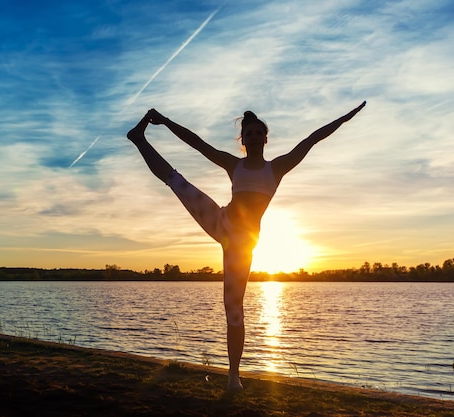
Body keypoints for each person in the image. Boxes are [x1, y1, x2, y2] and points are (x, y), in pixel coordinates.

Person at [126, 101, 366, 390]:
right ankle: (139, 139)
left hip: (242, 245)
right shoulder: (233, 164)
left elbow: (312, 139)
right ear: (243, 140)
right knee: (176, 181)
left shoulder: (277, 168)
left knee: (234, 309)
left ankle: (233, 375)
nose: (252, 137)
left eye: (257, 133)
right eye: (248, 134)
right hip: (220, 221)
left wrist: (346, 117)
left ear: (265, 138)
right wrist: (166, 121)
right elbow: (198, 144)